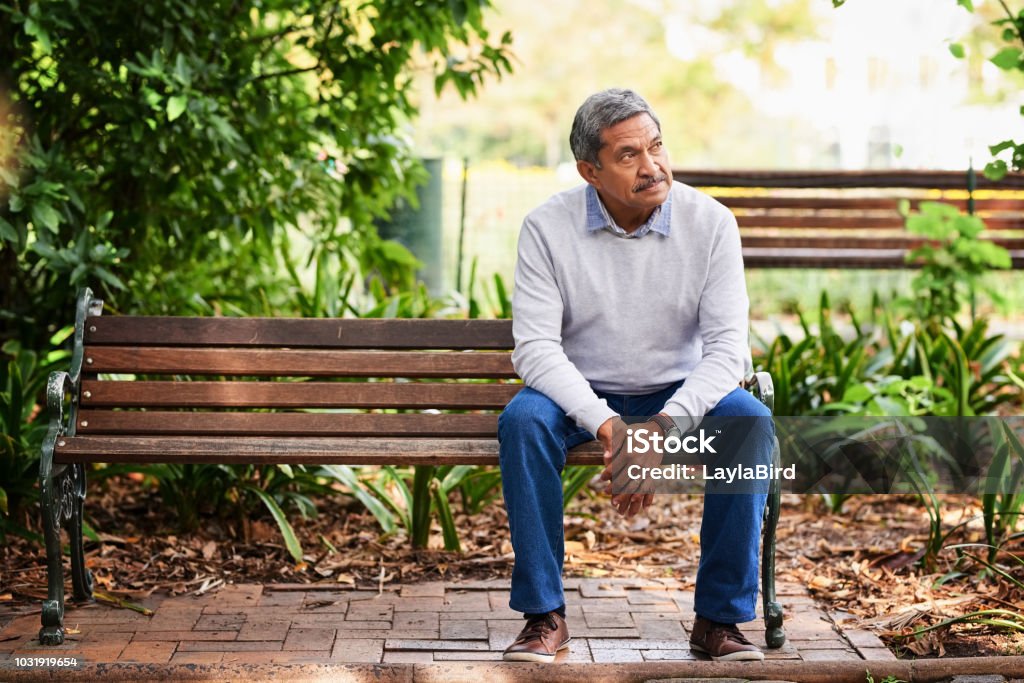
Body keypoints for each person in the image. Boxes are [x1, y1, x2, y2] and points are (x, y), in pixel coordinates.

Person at [498, 88, 774, 663]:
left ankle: (718, 621)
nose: (652, 167)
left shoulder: (711, 223)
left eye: (656, 146)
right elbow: (536, 350)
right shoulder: (548, 227)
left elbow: (727, 351)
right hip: (580, 395)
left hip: (679, 393)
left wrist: (659, 429)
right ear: (589, 171)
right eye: (629, 156)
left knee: (750, 423)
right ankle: (543, 616)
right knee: (522, 420)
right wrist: (608, 426)